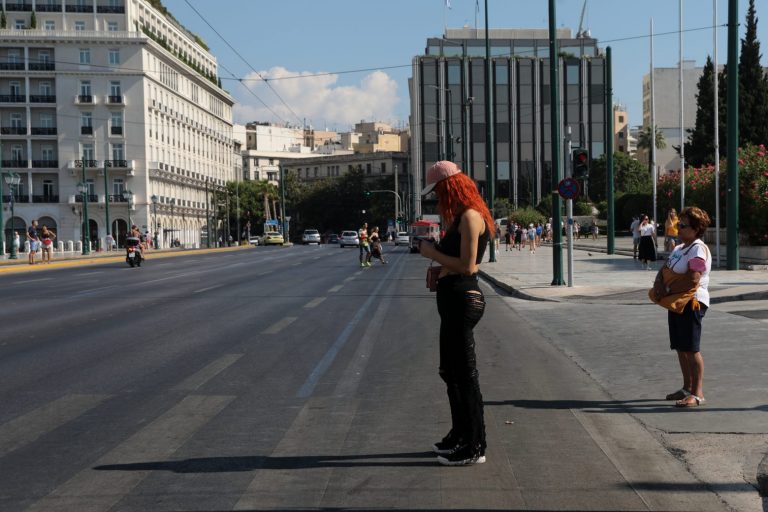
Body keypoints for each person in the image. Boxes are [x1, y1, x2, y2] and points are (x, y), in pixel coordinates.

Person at [417, 160, 493, 466]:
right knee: (450, 372)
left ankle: (475, 445)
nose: (437, 199)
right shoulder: (462, 217)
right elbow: (456, 262)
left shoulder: (471, 217)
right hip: (452, 298)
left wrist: (430, 253)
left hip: (464, 299)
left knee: (465, 375)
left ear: (451, 188)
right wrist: (440, 267)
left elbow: (469, 266)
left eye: (438, 192)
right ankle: (460, 435)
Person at [652, 207, 712, 408]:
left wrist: (667, 287)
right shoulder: (679, 248)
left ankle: (697, 393)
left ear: (696, 229)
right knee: (680, 347)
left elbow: (693, 278)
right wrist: (659, 283)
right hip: (676, 302)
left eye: (683, 225)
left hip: (692, 302)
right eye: (679, 223)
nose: (678, 227)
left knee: (691, 348)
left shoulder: (697, 248)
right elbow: (664, 269)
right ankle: (687, 387)